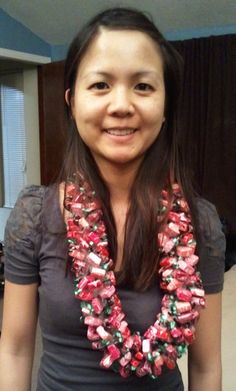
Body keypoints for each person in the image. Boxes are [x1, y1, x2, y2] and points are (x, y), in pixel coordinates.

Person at [0, 7, 225, 391]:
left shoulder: (199, 224)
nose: (121, 105)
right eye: (101, 85)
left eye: (143, 86)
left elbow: (206, 368)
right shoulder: (34, 215)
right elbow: (16, 349)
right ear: (71, 102)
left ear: (166, 104)